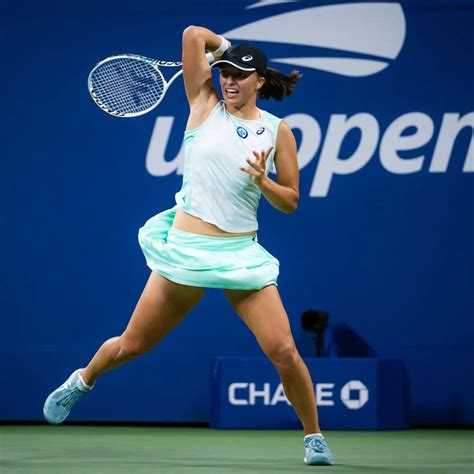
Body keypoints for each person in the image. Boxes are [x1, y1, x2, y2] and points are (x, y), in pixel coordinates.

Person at [43, 25, 334, 466]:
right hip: (185, 252)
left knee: (284, 351)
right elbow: (193, 34)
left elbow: (290, 201)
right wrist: (224, 49)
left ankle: (314, 437)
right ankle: (83, 379)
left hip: (239, 256)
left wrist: (263, 181)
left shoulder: (278, 132)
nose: (229, 81)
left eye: (239, 75)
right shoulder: (203, 104)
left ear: (259, 81)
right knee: (132, 345)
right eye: (225, 73)